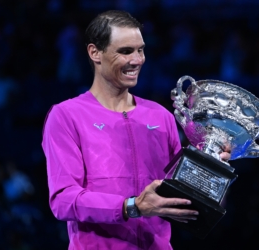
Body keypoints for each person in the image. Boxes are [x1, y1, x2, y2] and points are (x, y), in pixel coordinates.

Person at [42, 10, 230, 249]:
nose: (137, 60)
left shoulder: (160, 116)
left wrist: (211, 168)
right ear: (94, 53)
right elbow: (63, 200)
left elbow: (185, 198)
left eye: (140, 50)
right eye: (125, 51)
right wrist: (132, 207)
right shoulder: (66, 116)